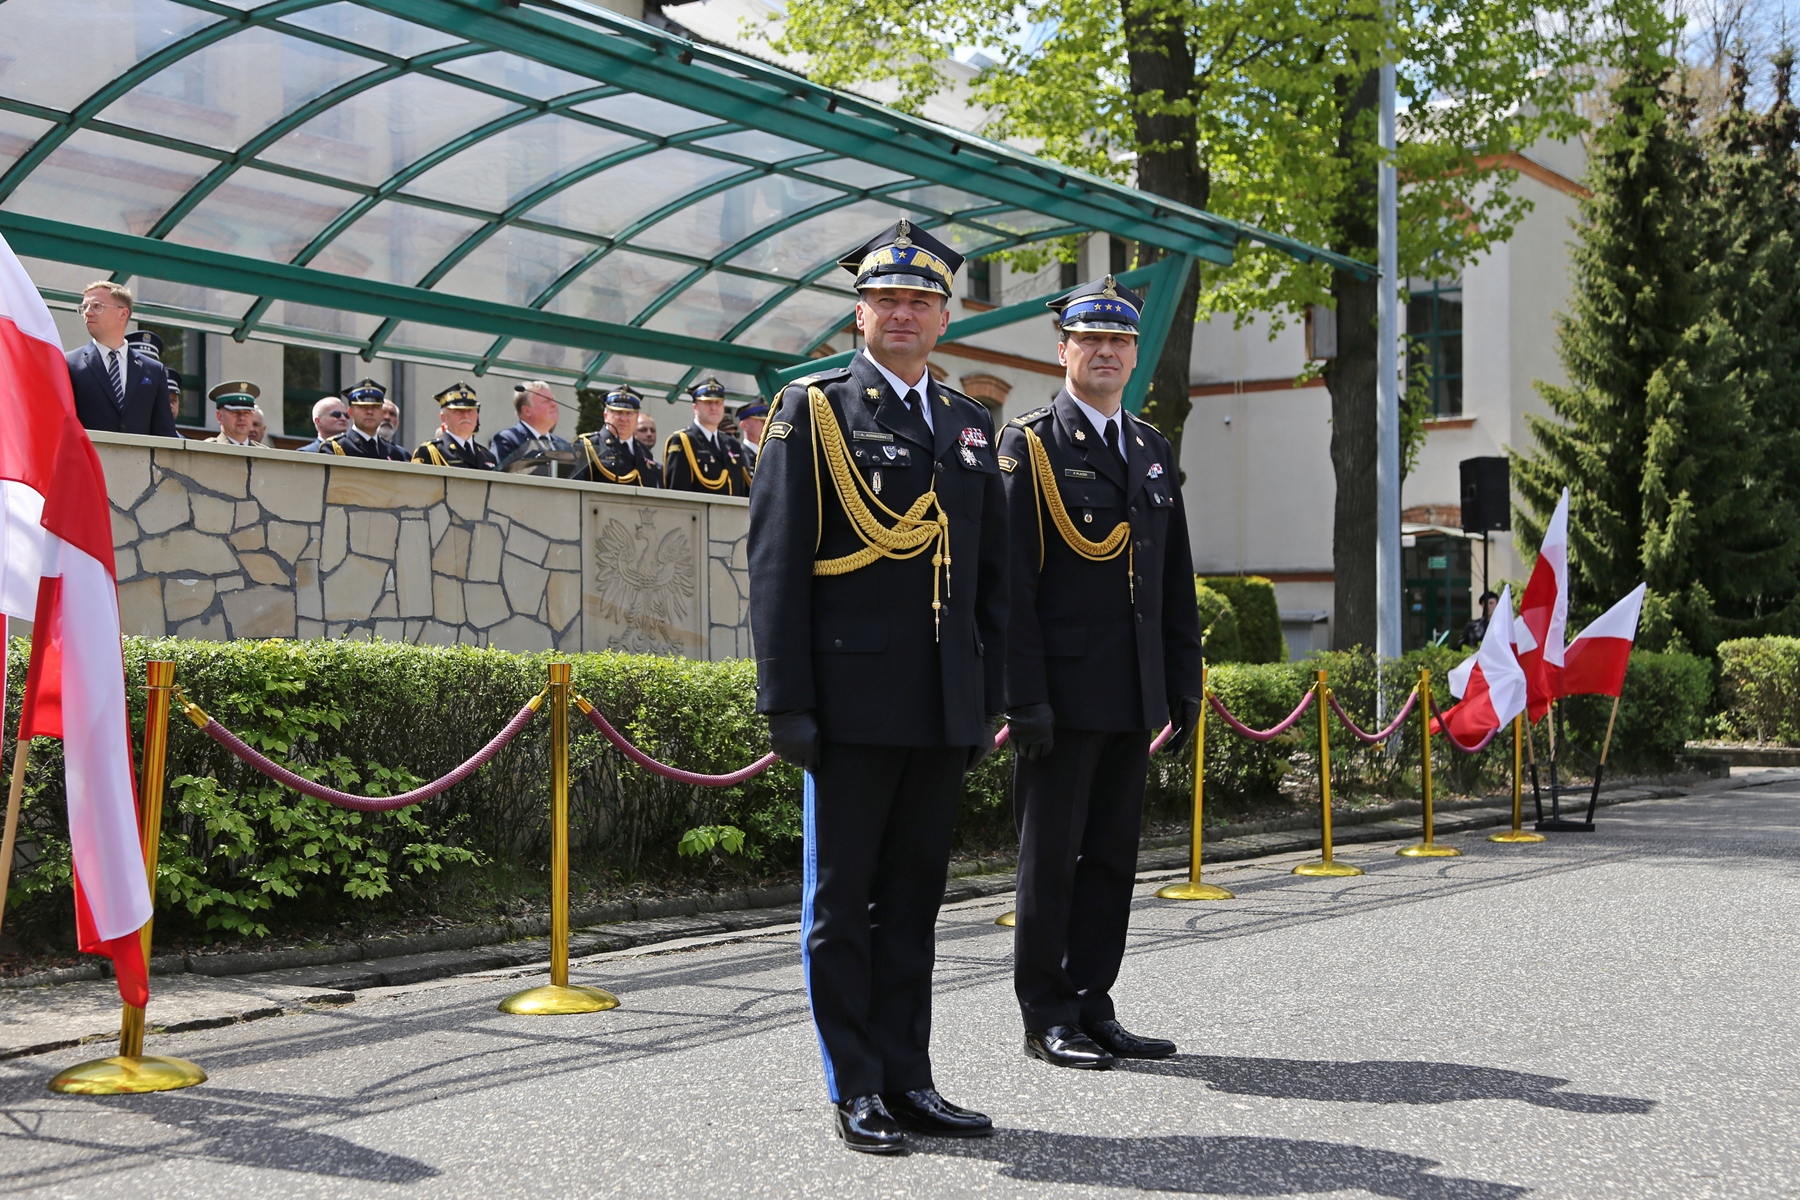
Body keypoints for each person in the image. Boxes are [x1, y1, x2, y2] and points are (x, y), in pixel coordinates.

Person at [748, 219, 1007, 1155]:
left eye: (921, 301)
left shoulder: (971, 425)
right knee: (842, 904)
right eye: (887, 299)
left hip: (943, 702)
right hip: (849, 704)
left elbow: (989, 578)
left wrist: (993, 694)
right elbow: (776, 563)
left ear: (945, 316)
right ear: (860, 312)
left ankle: (911, 1075)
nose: (904, 314)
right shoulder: (811, 409)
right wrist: (787, 701)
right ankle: (856, 1086)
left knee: (915, 903)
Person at [996, 276, 1202, 1072]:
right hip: (1062, 697)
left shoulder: (1150, 449)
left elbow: (1172, 579)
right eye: (1091, 341)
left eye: (1119, 341)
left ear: (1133, 354)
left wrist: (1182, 682)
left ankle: (1093, 1002)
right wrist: (1025, 699)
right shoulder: (1031, 444)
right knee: (1050, 862)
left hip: (1130, 693)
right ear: (1064, 351)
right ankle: (1045, 1014)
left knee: (1113, 857)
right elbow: (1011, 587)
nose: (1107, 353)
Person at [65, 282, 178, 438]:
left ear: (123, 314)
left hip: (138, 461)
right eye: (84, 307)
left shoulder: (153, 370)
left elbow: (164, 433)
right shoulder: (69, 364)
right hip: (88, 461)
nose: (88, 313)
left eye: (97, 306)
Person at [663, 376, 751, 495]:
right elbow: (678, 492)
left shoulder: (732, 444)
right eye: (707, 402)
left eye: (718, 403)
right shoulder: (683, 441)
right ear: (695, 407)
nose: (714, 408)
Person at [572, 384, 661, 486]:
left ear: (636, 418)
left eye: (629, 414)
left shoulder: (644, 452)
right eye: (618, 413)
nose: (623, 419)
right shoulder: (589, 445)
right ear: (606, 416)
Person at [491, 380, 575, 474]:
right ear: (527, 410)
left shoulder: (564, 445)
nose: (554, 404)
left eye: (553, 400)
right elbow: (503, 480)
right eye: (546, 401)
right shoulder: (507, 440)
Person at [317, 379, 408, 460]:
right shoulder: (336, 448)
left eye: (375, 407)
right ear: (350, 412)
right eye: (363, 407)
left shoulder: (394, 453)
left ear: (381, 413)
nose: (370, 412)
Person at [411, 382, 496, 470]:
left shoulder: (488, 456)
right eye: (458, 411)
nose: (466, 416)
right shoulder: (430, 452)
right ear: (443, 417)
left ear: (477, 416)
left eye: (470, 411)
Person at [737, 398, 768, 474]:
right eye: (762, 421)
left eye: (768, 421)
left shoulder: (772, 454)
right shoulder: (739, 456)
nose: (767, 425)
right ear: (744, 425)